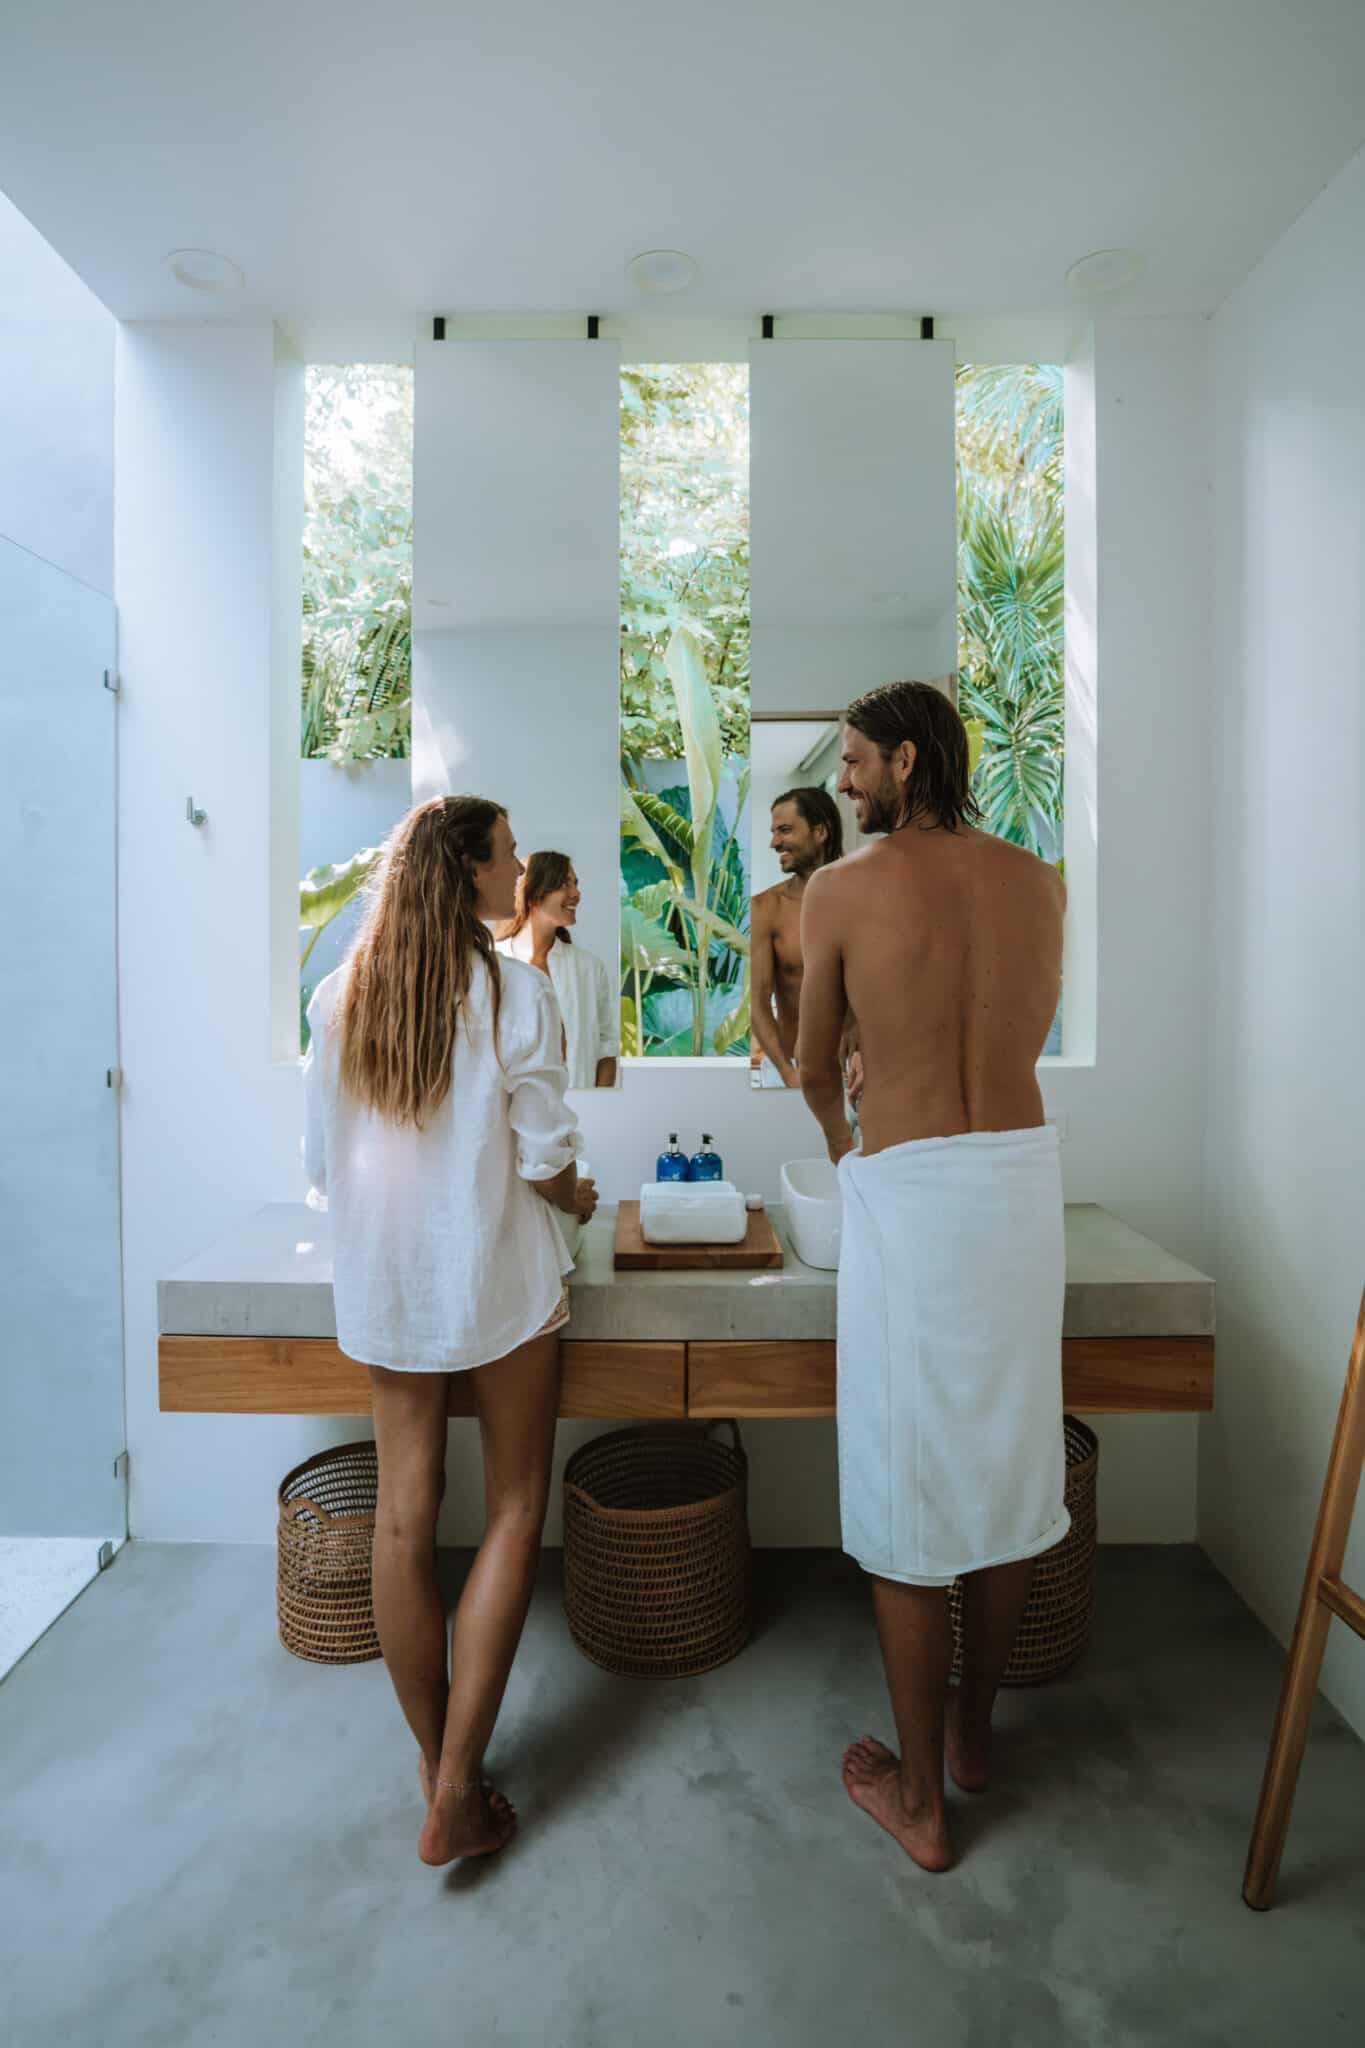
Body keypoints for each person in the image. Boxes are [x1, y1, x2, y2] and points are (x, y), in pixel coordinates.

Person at [797, 681, 1066, 1875]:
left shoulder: (841, 889)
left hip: (911, 1194)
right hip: (1018, 1185)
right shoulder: (1038, 882)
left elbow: (811, 1068)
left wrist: (854, 1147)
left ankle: (918, 1798)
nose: (841, 783)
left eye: (853, 763)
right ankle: (972, 1733)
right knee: (1008, 1461)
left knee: (908, 1487)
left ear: (906, 759)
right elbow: (1020, 1029)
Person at [302, 796, 598, 1868]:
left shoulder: (343, 997)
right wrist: (582, 1198)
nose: (521, 864)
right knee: (517, 1503)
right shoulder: (516, 992)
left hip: (390, 1280)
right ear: (471, 870)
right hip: (499, 1275)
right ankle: (460, 1785)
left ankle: (437, 1767)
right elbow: (543, 1160)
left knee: (400, 1519)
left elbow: (324, 1167)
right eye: (510, 849)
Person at [496, 851, 619, 1089]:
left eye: (575, 884)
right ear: (534, 893)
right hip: (508, 1113)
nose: (576, 893)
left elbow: (607, 1048)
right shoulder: (494, 961)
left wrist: (598, 1106)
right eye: (564, 884)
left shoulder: (589, 968)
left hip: (579, 1111)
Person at [749, 787, 843, 1088]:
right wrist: (789, 1075)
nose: (774, 843)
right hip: (788, 1072)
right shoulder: (766, 908)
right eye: (774, 832)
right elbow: (758, 1005)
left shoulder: (865, 899)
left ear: (820, 831)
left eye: (785, 830)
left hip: (857, 1075)